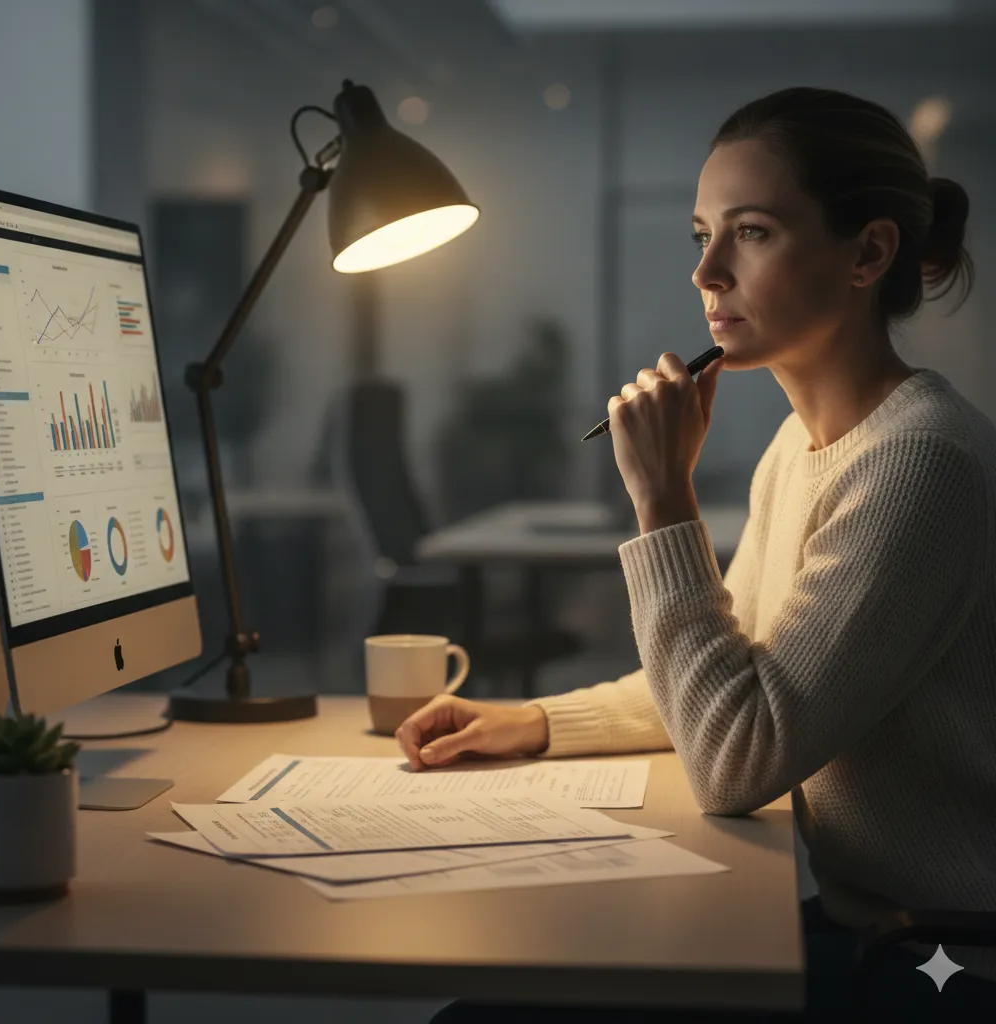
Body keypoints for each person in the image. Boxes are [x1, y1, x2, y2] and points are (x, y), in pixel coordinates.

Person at [394, 86, 996, 1019]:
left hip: (940, 960)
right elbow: (741, 677)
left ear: (868, 253)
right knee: (535, 965)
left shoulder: (920, 465)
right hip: (869, 925)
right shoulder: (803, 446)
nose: (707, 272)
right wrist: (538, 721)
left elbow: (736, 758)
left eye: (750, 232)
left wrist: (663, 501)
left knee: (487, 1013)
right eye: (701, 234)